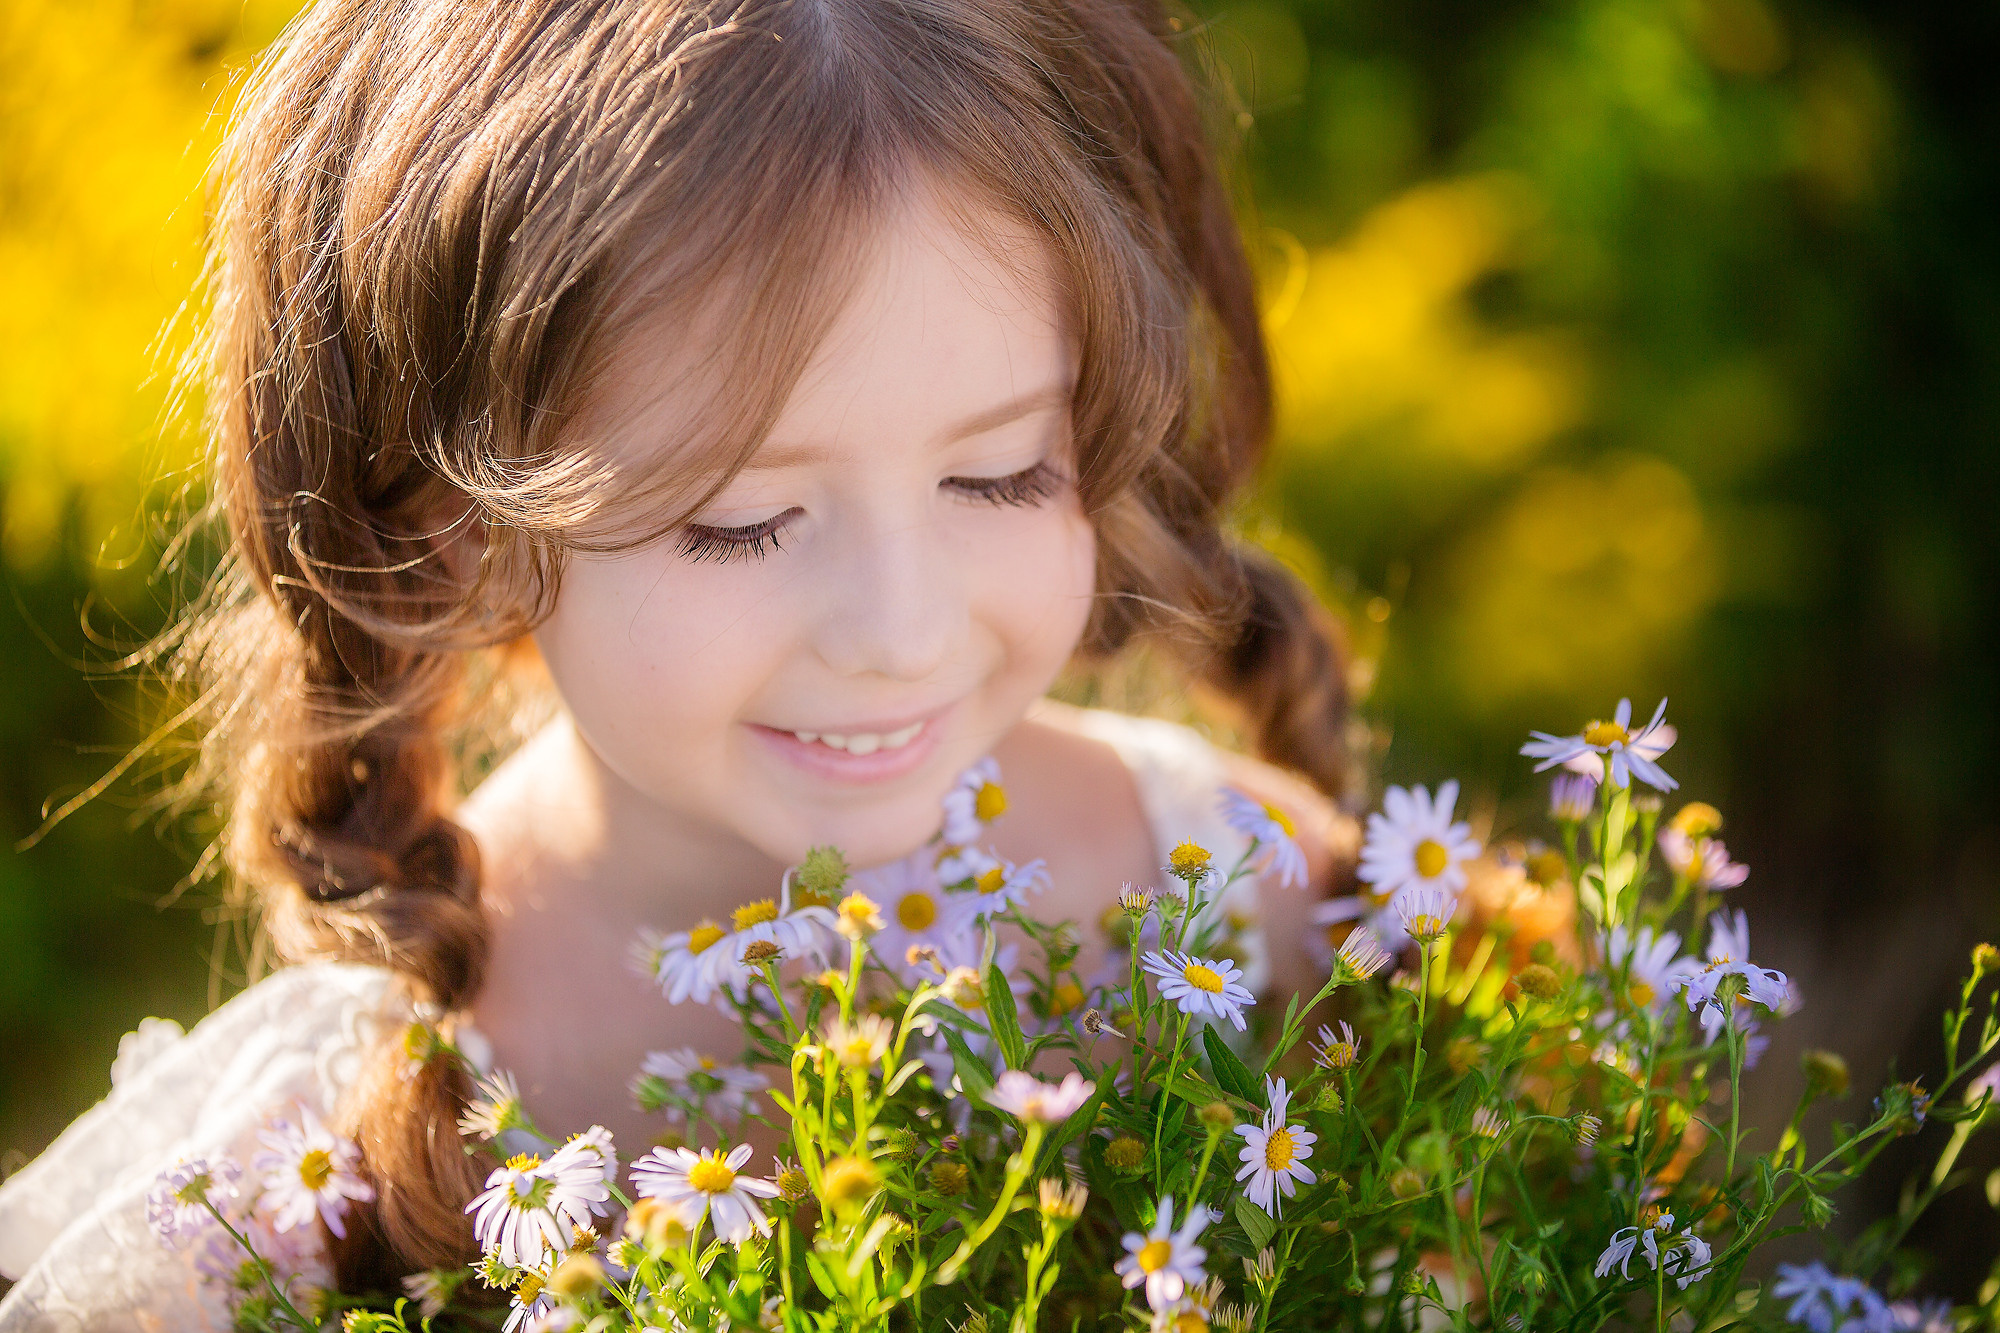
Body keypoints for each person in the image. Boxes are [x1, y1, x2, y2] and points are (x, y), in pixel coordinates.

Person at [0, 0, 1361, 1325]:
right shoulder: (284, 1174)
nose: (900, 631)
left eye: (1002, 476)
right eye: (741, 521)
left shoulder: (1264, 901)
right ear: (452, 527)